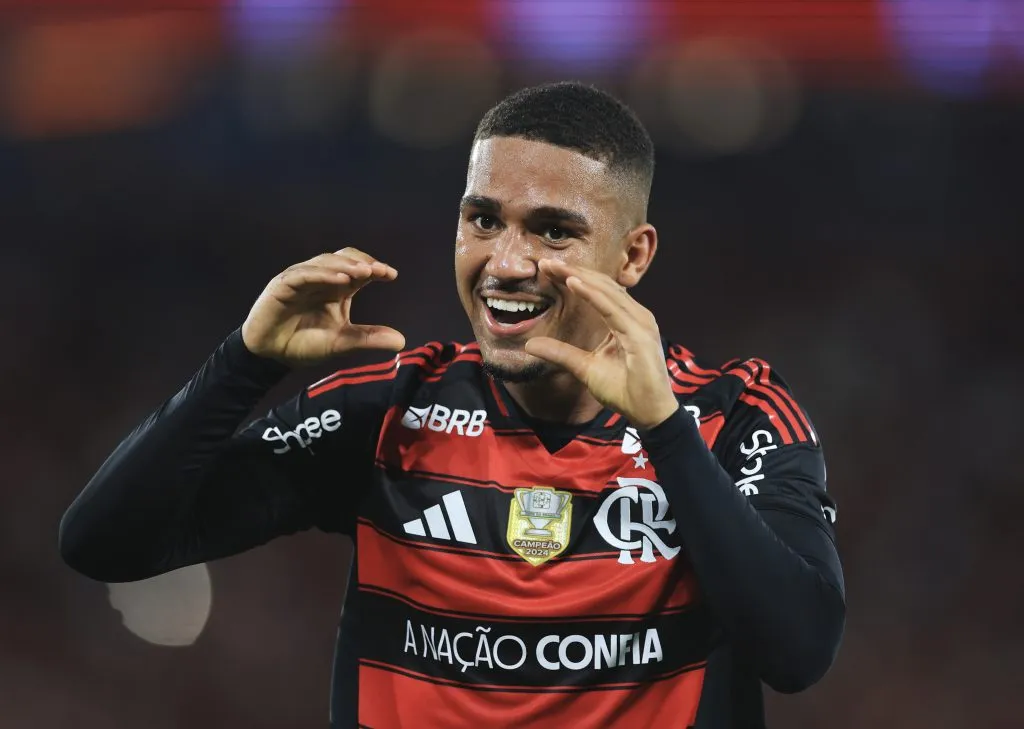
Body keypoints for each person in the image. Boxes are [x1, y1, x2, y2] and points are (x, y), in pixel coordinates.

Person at [59, 82, 845, 729]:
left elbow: (797, 650)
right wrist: (242, 363)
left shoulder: (735, 414)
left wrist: (667, 434)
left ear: (633, 253)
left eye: (553, 230)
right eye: (483, 219)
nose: (506, 263)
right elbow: (105, 543)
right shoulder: (390, 408)